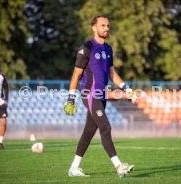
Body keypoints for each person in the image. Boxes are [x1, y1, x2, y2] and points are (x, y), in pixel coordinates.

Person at [64, 15, 136, 177]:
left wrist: (126, 88)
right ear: (94, 28)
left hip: (102, 96)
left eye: (108, 26)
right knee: (105, 126)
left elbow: (112, 73)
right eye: (103, 25)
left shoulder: (108, 49)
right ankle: (119, 166)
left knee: (89, 131)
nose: (106, 28)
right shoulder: (87, 47)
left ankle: (74, 168)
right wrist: (71, 97)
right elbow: (76, 75)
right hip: (90, 94)